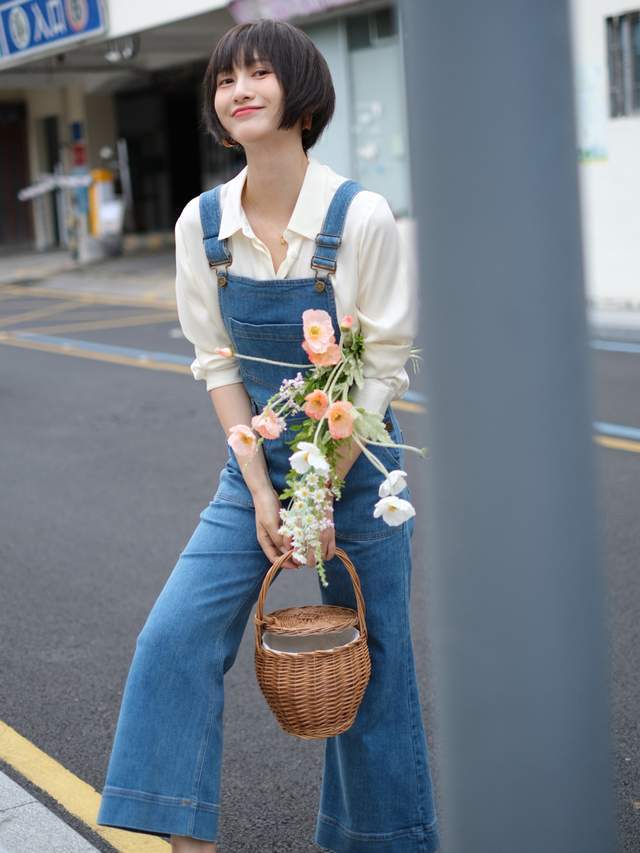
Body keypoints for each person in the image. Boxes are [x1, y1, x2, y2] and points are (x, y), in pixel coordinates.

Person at [96, 17, 440, 853]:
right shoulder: (201, 225)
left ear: (302, 96)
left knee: (377, 668)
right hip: (254, 464)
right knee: (174, 635)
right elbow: (217, 362)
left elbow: (380, 368)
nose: (238, 90)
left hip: (360, 469)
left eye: (258, 74)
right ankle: (187, 843)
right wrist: (260, 487)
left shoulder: (360, 218)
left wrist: (322, 492)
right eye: (224, 80)